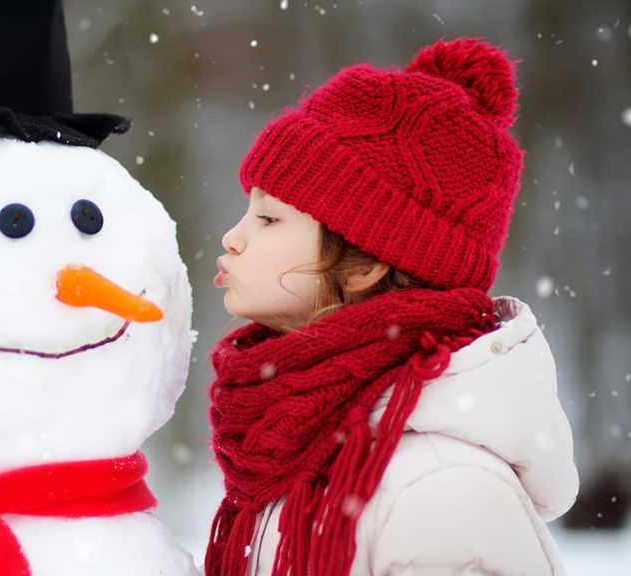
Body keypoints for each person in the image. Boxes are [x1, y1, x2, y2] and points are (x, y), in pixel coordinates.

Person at [207, 38, 579, 576]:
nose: (231, 238)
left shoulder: (438, 488)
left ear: (365, 265)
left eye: (268, 219)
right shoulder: (291, 449)